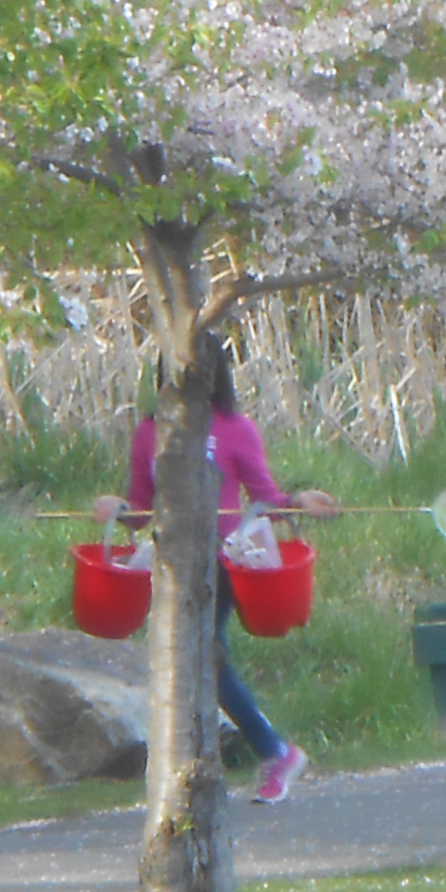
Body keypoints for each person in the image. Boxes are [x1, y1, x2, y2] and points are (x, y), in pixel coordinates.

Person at [108, 334, 331, 804]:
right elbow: (141, 508)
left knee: (206, 654)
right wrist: (116, 509)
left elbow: (263, 496)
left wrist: (296, 502)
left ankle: (272, 751)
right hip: (170, 562)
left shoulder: (234, 427)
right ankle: (203, 762)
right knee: (186, 658)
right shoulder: (150, 431)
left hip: (222, 561)